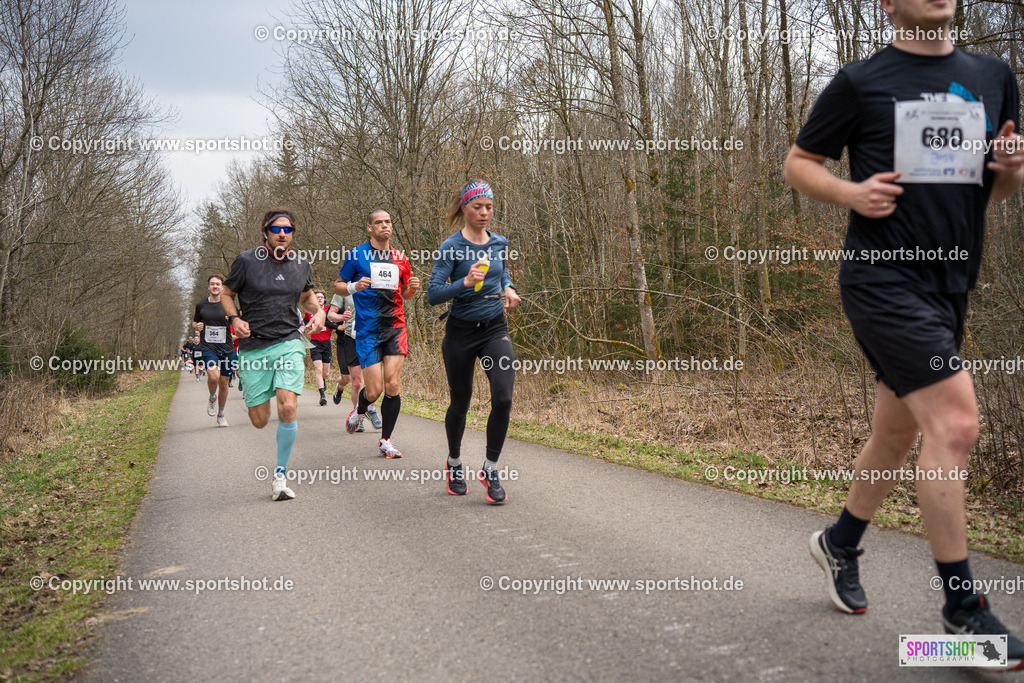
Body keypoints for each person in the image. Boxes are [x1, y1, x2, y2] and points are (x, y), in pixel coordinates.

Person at [783, 0, 1023, 669]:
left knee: (895, 430)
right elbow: (799, 161)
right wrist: (849, 194)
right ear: (889, 3)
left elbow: (996, 191)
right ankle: (962, 611)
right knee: (956, 423)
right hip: (881, 279)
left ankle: (841, 541)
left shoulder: (993, 74)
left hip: (952, 284)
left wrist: (1008, 166)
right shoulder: (863, 81)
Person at [221, 207, 326, 501]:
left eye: (288, 229)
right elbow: (228, 295)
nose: (282, 234)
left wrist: (318, 313)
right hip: (253, 347)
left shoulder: (301, 264)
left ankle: (280, 476)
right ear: (265, 232)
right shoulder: (245, 261)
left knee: (288, 408)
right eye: (277, 229)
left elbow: (306, 297)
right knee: (259, 420)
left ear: (292, 234)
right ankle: (257, 388)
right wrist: (234, 319)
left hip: (288, 341)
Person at [427, 180, 521, 503]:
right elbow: (433, 294)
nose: (484, 213)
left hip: (494, 328)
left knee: (504, 397)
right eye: (477, 207)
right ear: (465, 208)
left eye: (489, 207)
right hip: (460, 332)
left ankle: (491, 468)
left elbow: (502, 270)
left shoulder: (499, 242)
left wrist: (508, 288)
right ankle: (454, 462)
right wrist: (464, 283)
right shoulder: (450, 247)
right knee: (460, 402)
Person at [335, 209, 419, 458]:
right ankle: (360, 410)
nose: (384, 226)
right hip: (368, 329)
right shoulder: (356, 255)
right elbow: (337, 285)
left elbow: (404, 294)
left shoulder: (401, 258)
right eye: (379, 222)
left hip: (395, 326)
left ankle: (386, 441)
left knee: (393, 384)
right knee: (374, 390)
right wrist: (354, 285)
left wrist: (412, 289)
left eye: (388, 222)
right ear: (369, 228)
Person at [326, 291, 383, 431]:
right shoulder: (345, 289)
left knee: (372, 380)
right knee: (356, 382)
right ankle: (359, 414)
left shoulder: (375, 285)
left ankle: (371, 409)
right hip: (350, 339)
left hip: (370, 338)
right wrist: (341, 316)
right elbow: (330, 315)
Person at [192, 274, 237, 427]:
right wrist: (196, 326)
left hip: (226, 348)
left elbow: (238, 321)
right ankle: (212, 397)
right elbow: (194, 322)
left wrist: (231, 319)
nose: (215, 286)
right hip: (208, 347)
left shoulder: (229, 304)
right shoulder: (201, 305)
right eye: (212, 284)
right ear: (208, 287)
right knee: (213, 375)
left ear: (222, 287)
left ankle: (221, 414)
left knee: (224, 383)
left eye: (218, 284)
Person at [303, 290, 333, 406]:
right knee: (318, 369)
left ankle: (323, 381)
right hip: (314, 342)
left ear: (324, 300)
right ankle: (322, 395)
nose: (320, 299)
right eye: (317, 297)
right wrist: (305, 326)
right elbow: (305, 320)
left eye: (321, 297)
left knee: (325, 373)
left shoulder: (328, 310)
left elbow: (332, 321)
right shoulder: (309, 312)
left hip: (327, 343)